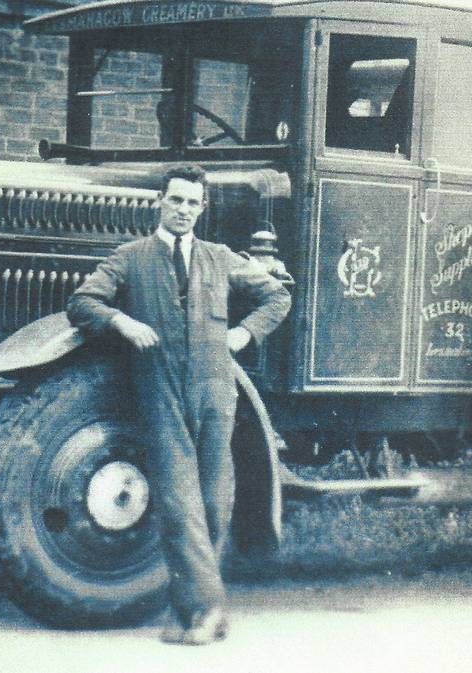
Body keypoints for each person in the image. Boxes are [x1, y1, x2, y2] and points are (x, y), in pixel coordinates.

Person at [66, 164, 291, 645]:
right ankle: (208, 611)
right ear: (160, 202)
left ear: (202, 208)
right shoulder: (131, 258)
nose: (184, 209)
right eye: (176, 200)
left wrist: (244, 333)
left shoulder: (220, 257)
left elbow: (276, 297)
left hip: (215, 389)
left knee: (214, 501)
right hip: (161, 388)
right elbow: (82, 302)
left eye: (192, 202)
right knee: (178, 501)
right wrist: (122, 322)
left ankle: (192, 608)